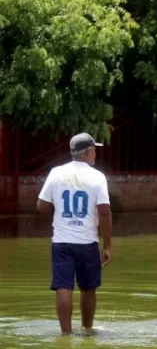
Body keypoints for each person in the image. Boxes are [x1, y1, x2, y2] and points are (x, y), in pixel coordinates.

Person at [36, 133, 112, 335]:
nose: (95, 152)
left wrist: (58, 204)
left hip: (61, 242)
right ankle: (87, 330)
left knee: (63, 287)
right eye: (94, 149)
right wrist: (107, 246)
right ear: (88, 151)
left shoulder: (55, 173)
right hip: (87, 242)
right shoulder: (98, 176)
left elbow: (41, 205)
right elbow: (104, 211)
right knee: (88, 288)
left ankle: (66, 334)